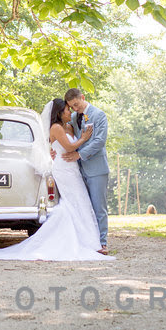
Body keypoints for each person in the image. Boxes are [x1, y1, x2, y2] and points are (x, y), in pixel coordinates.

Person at [0, 99, 114, 261]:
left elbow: (68, 145)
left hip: (73, 169)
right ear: (59, 113)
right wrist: (84, 138)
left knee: (79, 202)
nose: (70, 112)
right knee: (76, 200)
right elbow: (69, 147)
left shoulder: (69, 126)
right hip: (63, 170)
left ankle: (86, 240)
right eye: (66, 110)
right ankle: (88, 241)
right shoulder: (55, 128)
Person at [61, 88, 109, 254]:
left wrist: (79, 155)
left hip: (97, 169)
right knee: (84, 207)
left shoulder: (99, 115)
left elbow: (99, 141)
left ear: (82, 97)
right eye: (71, 107)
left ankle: (102, 243)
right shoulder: (74, 117)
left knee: (98, 207)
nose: (75, 109)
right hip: (79, 170)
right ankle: (88, 242)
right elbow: (67, 137)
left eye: (76, 104)